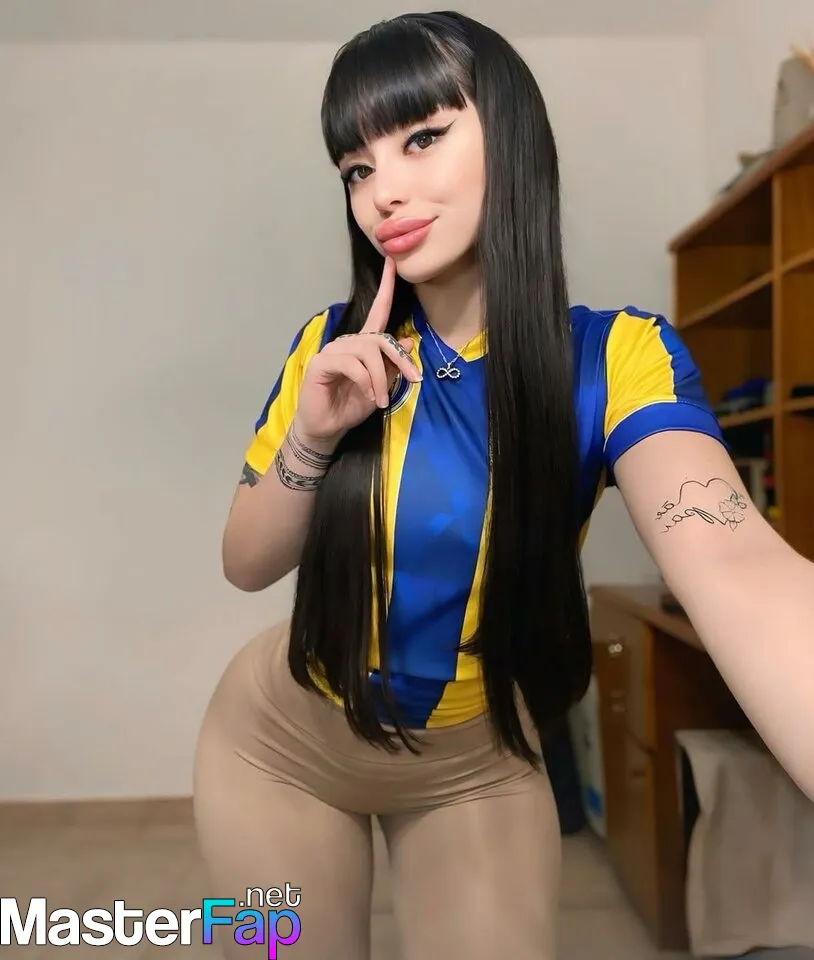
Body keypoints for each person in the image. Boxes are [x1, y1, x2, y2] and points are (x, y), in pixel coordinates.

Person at [193, 10, 814, 960]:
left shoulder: (616, 359)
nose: (381, 192)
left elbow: (735, 561)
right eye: (356, 168)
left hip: (474, 769)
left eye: (422, 138)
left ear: (513, 138)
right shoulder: (332, 348)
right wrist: (313, 437)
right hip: (278, 749)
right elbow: (245, 564)